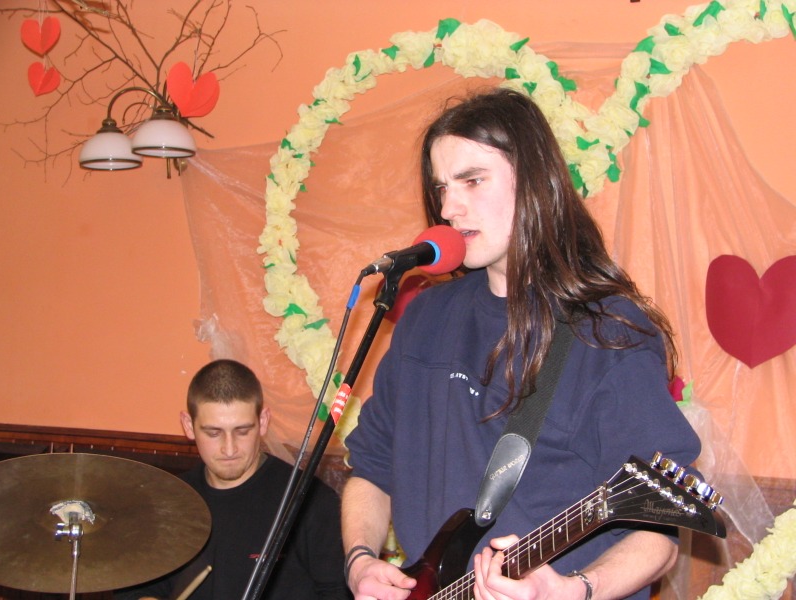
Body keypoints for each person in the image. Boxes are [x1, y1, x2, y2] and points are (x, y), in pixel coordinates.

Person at [341, 88, 702, 600]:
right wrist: (360, 561)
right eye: (442, 187)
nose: (448, 207)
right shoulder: (424, 318)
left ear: (534, 181)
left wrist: (576, 589)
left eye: (472, 180)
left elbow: (658, 530)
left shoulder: (608, 334)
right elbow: (371, 469)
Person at [116, 359, 351, 600]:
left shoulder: (311, 501)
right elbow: (136, 589)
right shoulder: (168, 502)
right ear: (188, 425)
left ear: (263, 421)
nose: (229, 449)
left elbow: (338, 592)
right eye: (213, 433)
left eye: (242, 431)